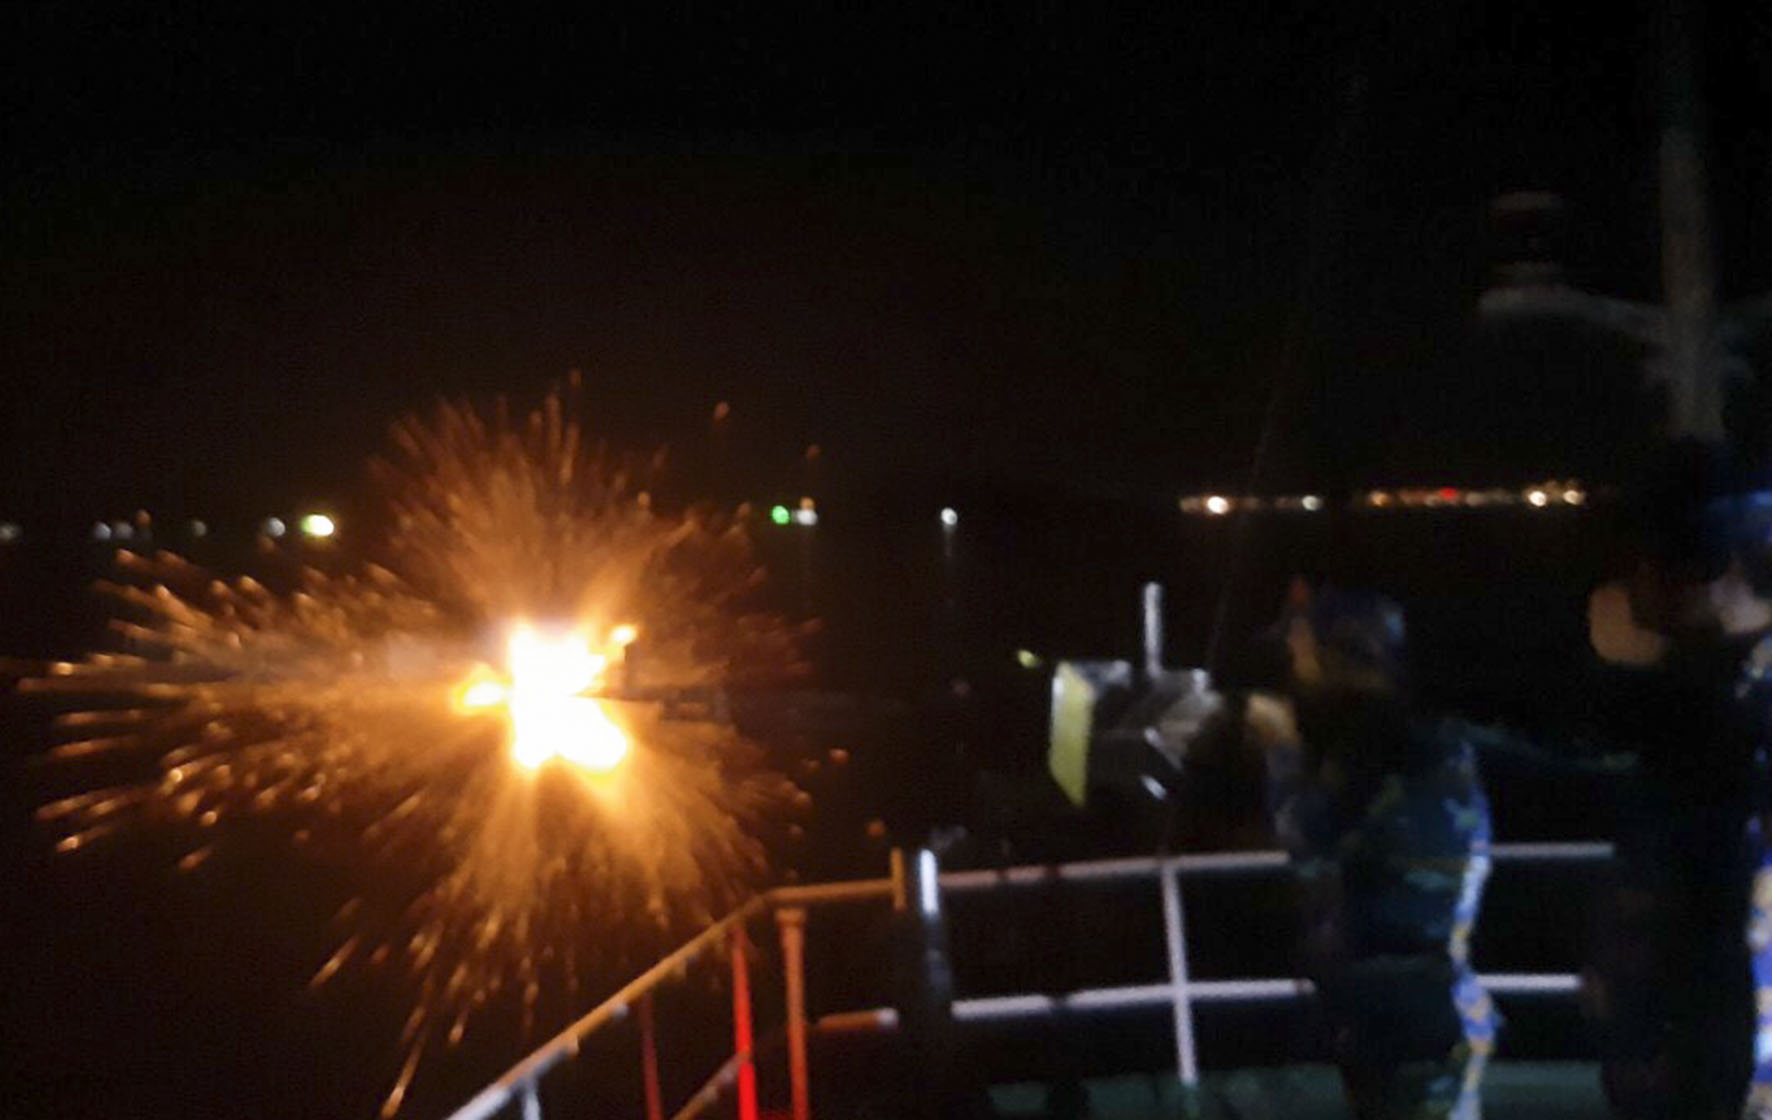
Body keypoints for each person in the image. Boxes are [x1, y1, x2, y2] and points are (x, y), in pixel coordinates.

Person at [1172, 584, 1498, 1119]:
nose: (1293, 672)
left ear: (1339, 657)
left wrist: (1282, 750)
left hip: (1410, 1020)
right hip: (1397, 1013)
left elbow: (1309, 841)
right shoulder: (1404, 741)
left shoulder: (1388, 752)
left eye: (1301, 655)